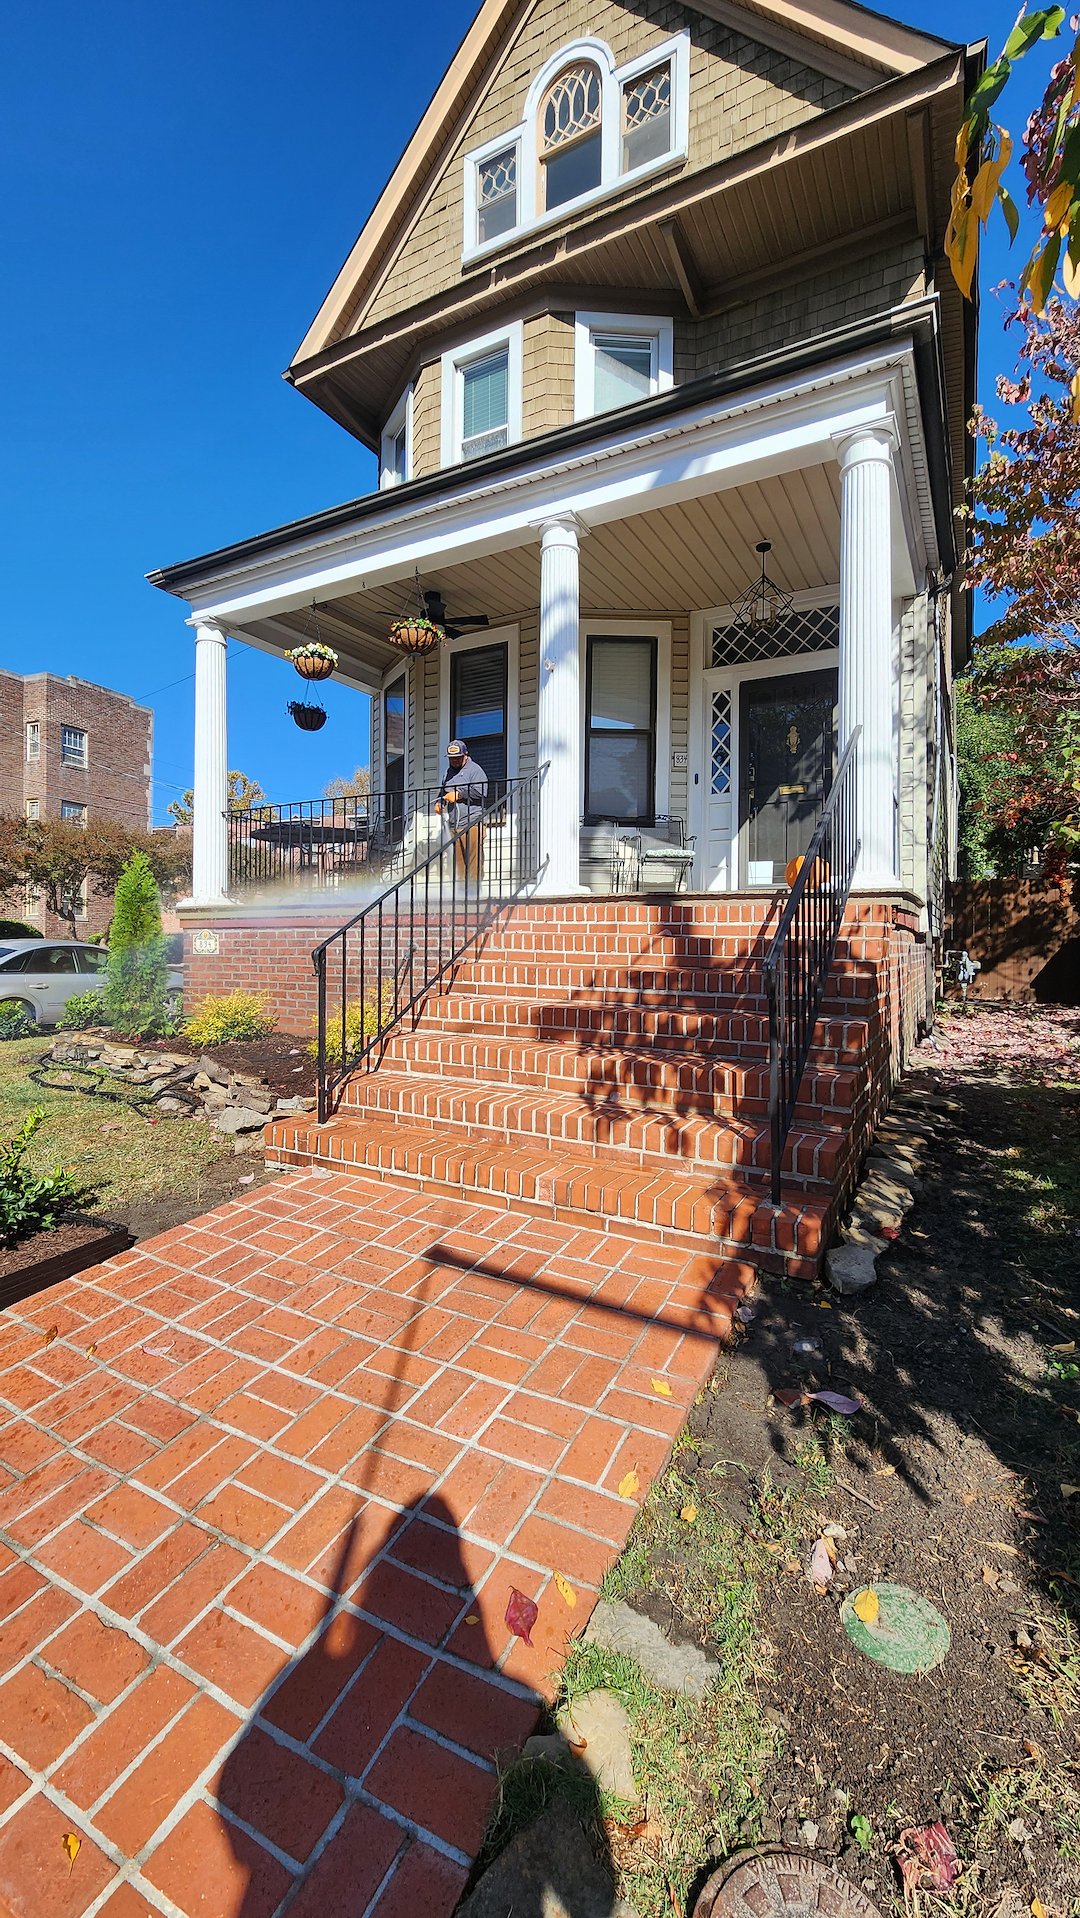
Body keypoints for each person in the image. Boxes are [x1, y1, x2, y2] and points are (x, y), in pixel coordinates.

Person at [434, 738, 488, 885]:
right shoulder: (448, 773)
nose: (455, 761)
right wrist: (440, 802)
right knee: (458, 862)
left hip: (473, 822)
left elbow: (482, 791)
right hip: (454, 825)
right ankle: (461, 893)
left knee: (473, 860)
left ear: (465, 754)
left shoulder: (474, 769)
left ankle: (473, 892)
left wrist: (459, 794)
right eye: (452, 759)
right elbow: (443, 792)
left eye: (458, 758)